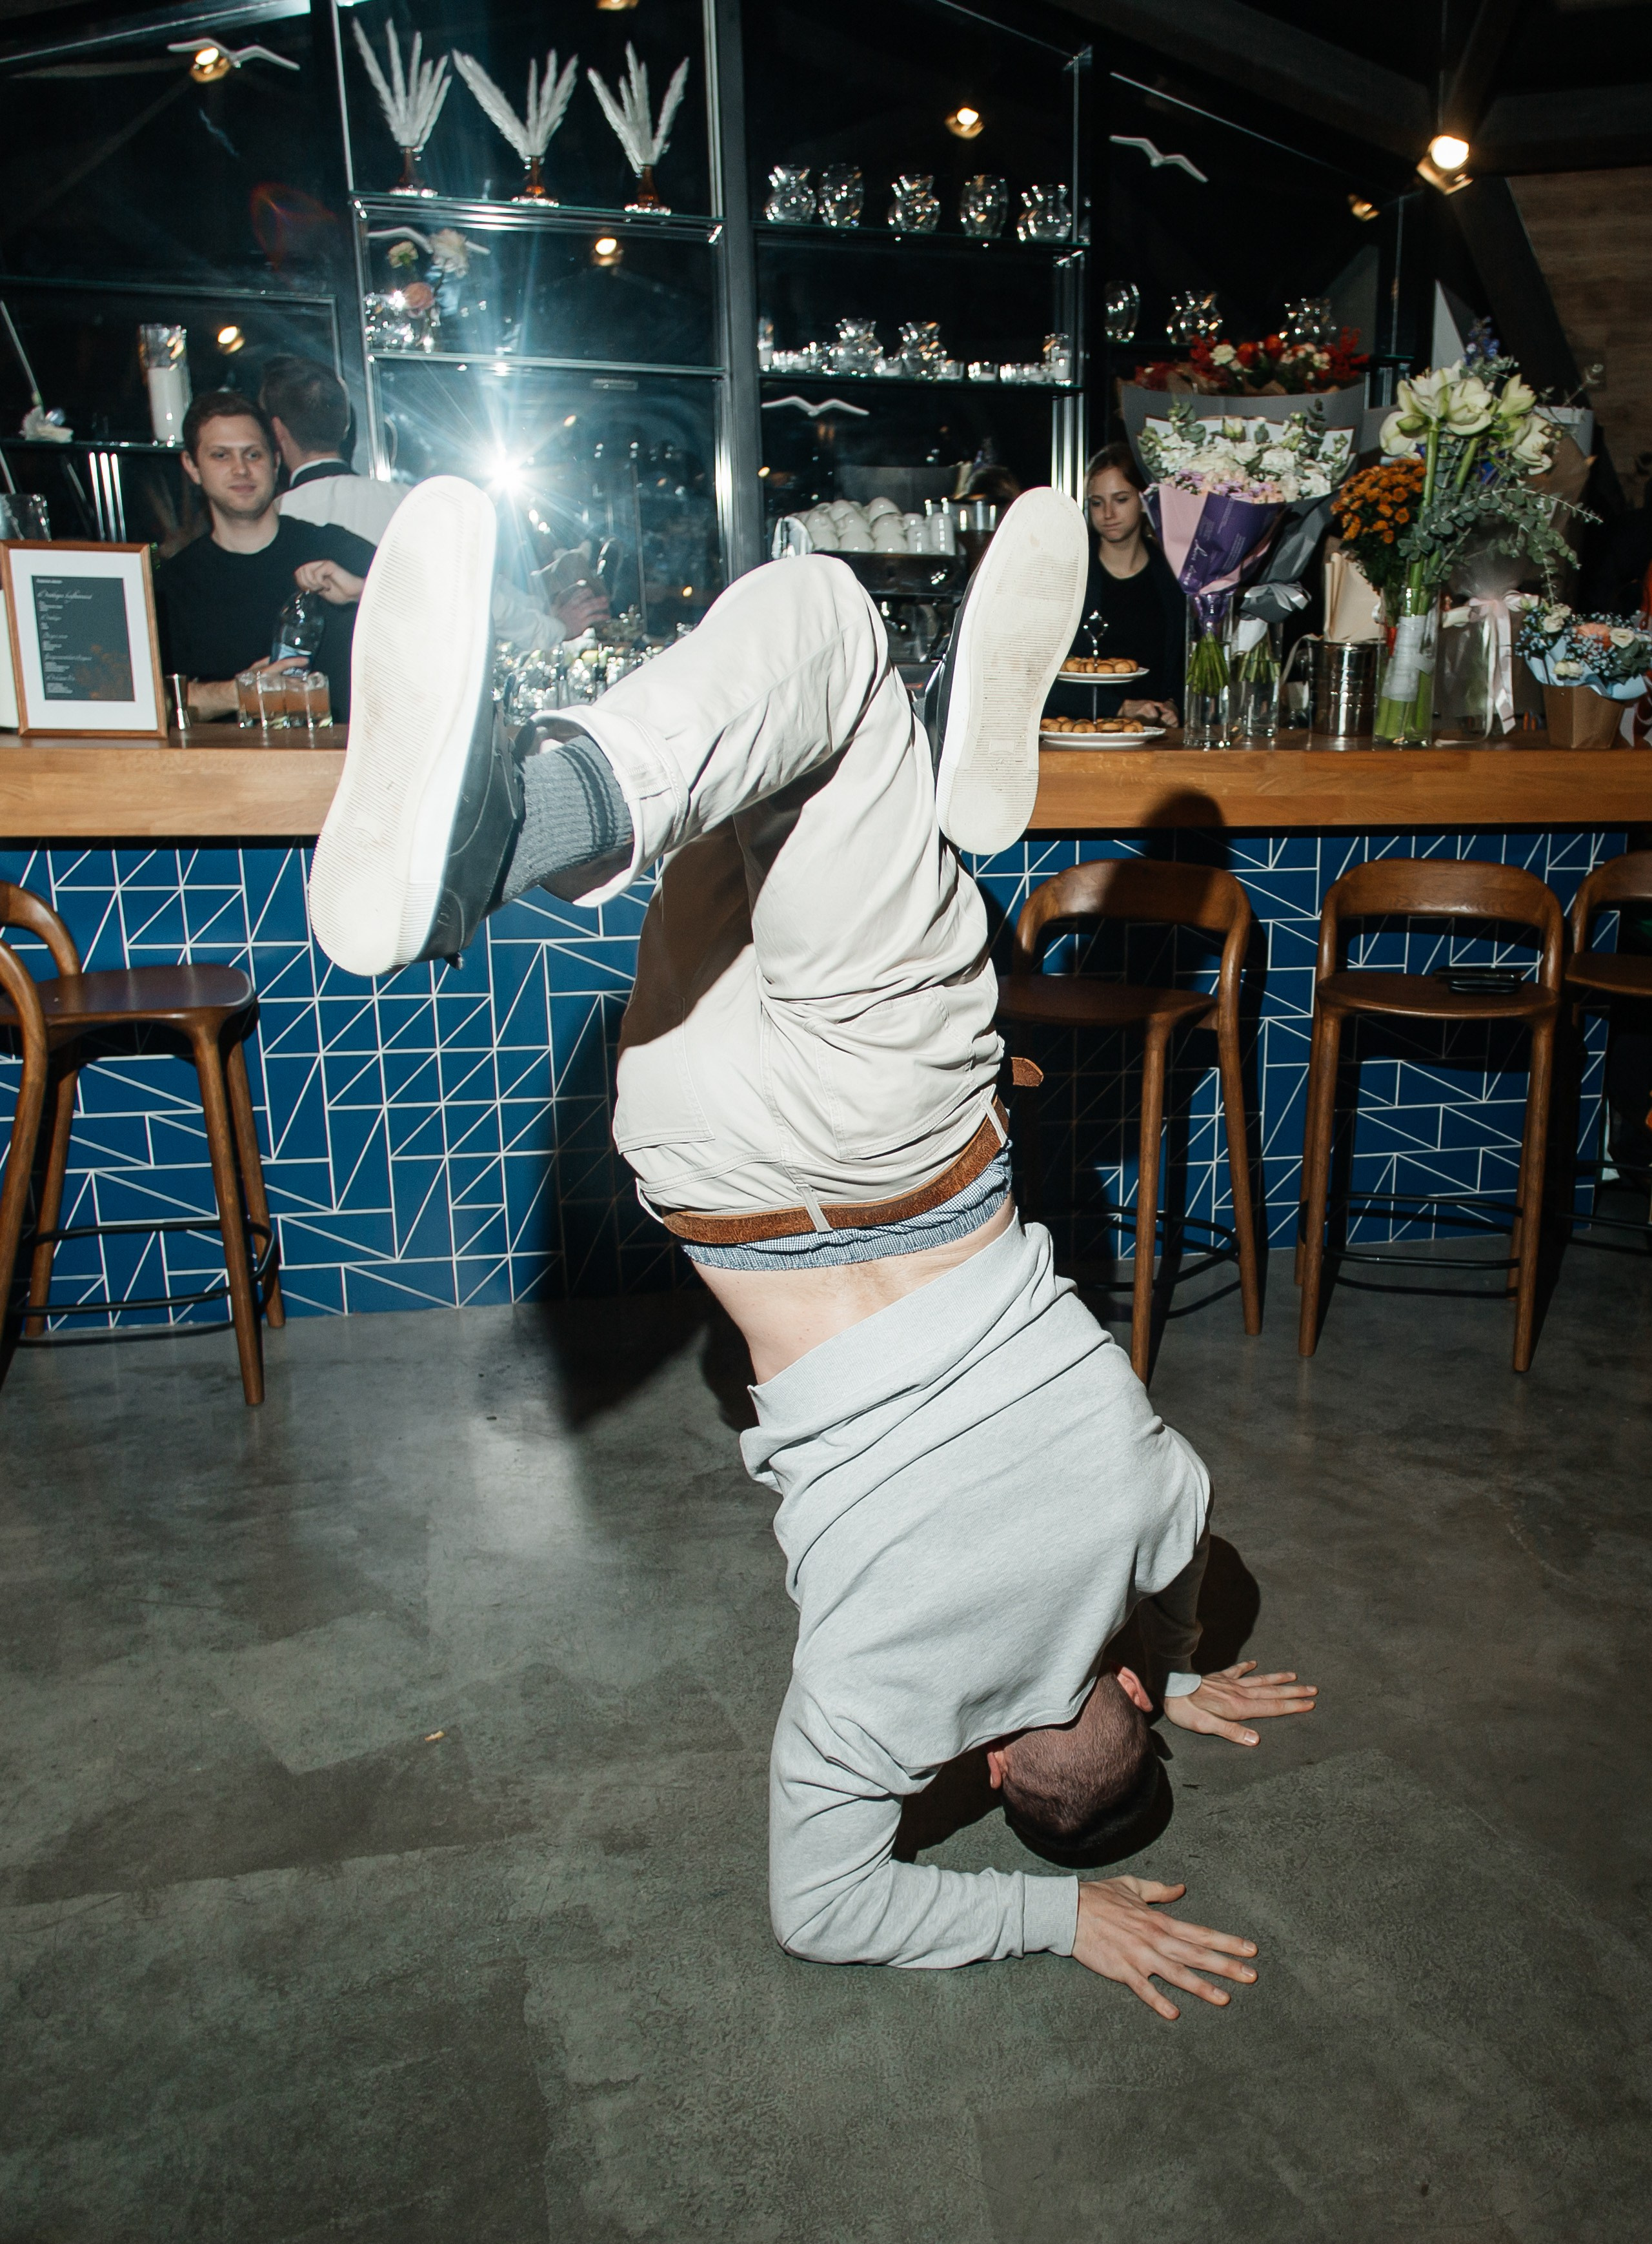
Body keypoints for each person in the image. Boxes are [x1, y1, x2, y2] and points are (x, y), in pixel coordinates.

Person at [306, 483, 1316, 2010]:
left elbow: (1180, 1576)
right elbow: (820, 1906)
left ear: (1117, 1689)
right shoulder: (877, 1700)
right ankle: (887, 785)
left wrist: (1178, 1663)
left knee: (816, 621)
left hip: (903, 1130)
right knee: (752, 777)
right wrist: (1059, 1920)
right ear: (984, 1763)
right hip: (709, 1165)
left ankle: (731, 796)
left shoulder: (1142, 1504)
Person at [260, 354, 609, 647]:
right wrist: (556, 627)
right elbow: (482, 599)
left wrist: (546, 599)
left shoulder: (267, 524)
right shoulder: (411, 506)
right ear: (346, 426)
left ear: (276, 431)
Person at [154, 390, 376, 721]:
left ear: (275, 462)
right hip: (227, 771)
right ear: (193, 466)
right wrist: (237, 693)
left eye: (253, 455)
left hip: (338, 766)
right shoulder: (172, 585)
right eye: (220, 456)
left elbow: (442, 613)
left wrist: (361, 591)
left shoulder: (333, 548)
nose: (240, 469)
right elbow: (154, 704)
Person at [1049, 443, 1185, 726]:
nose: (1108, 514)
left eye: (1121, 499)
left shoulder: (1174, 573)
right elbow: (1037, 677)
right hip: (1081, 736)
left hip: (1156, 738)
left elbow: (1183, 663)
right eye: (1097, 503)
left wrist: (1174, 704)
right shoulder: (1068, 573)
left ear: (1144, 500)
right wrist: (1120, 707)